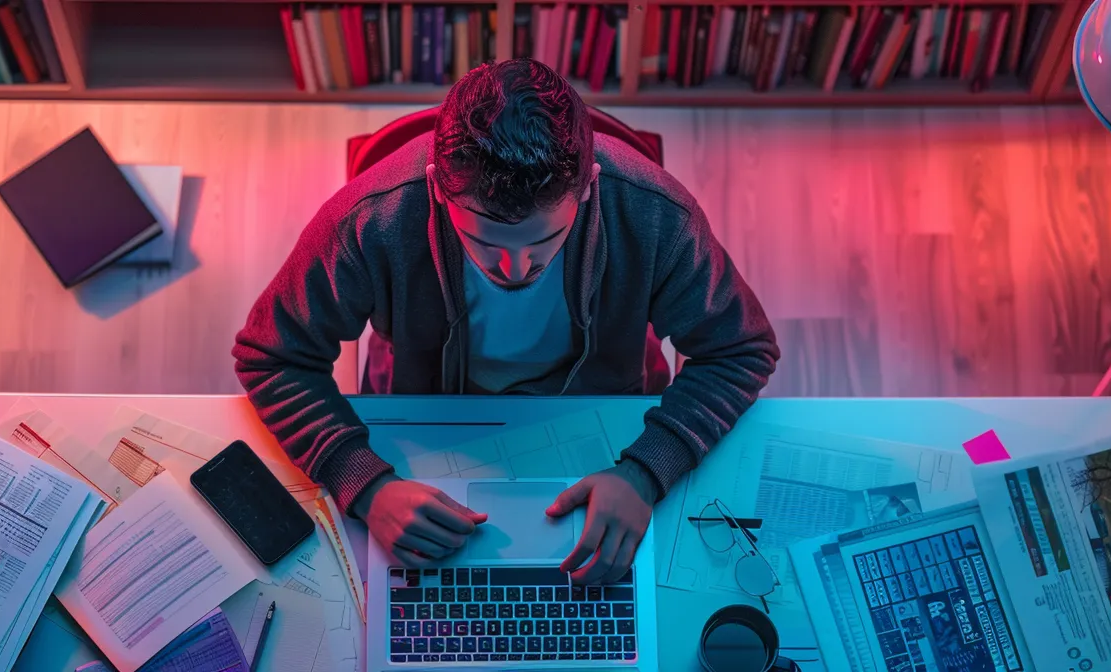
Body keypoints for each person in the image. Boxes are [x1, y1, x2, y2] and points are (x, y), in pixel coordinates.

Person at [233, 58, 777, 585]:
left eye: (545, 242)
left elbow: (740, 351)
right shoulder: (371, 218)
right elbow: (271, 356)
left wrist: (646, 470)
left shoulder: (654, 212)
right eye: (483, 242)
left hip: (610, 421)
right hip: (428, 417)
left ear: (588, 185)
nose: (516, 269)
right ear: (437, 188)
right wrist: (365, 483)